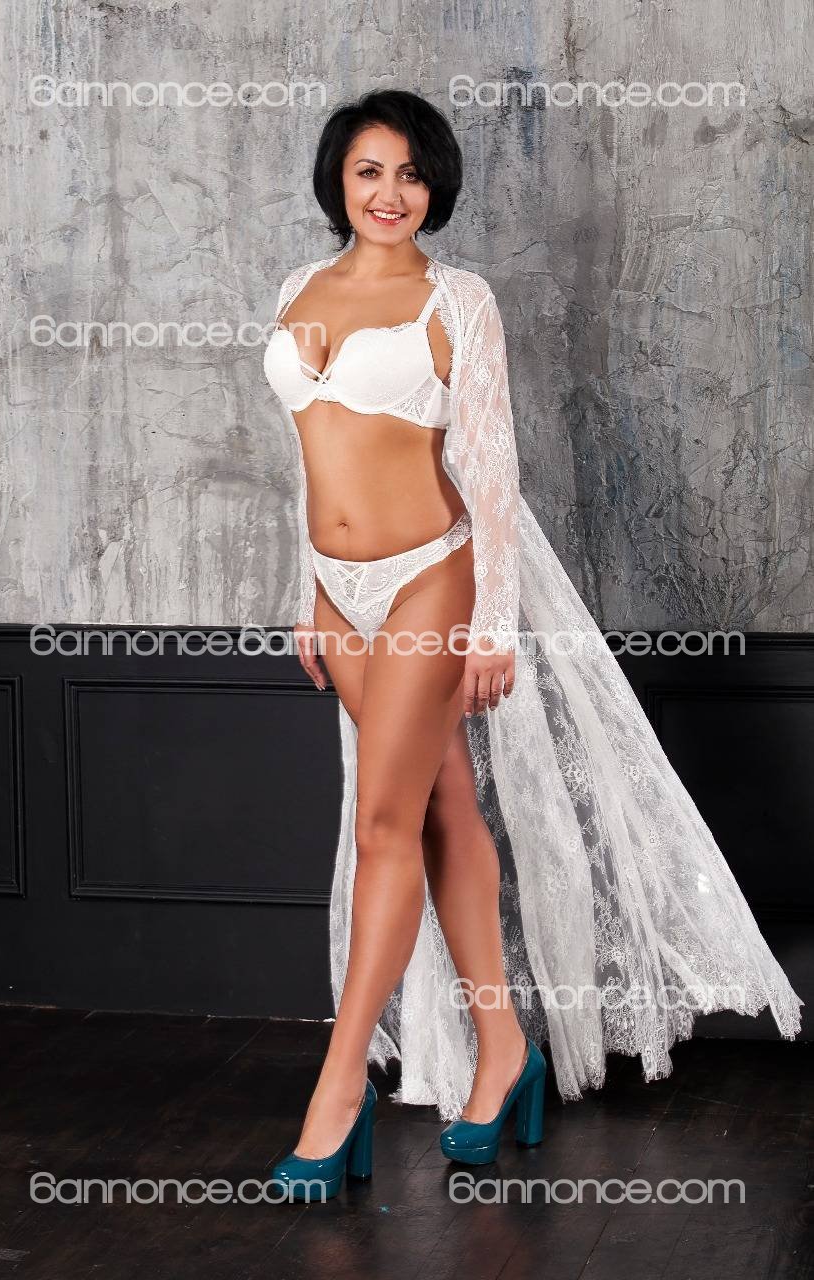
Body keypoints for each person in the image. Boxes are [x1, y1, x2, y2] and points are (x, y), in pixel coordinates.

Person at [262, 89, 802, 1201]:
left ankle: (337, 1090)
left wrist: (492, 625)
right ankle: (504, 1052)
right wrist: (308, 590)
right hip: (341, 590)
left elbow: (491, 466)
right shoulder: (296, 290)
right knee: (444, 808)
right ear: (338, 180)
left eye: (411, 174)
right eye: (369, 171)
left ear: (435, 187)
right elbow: (304, 455)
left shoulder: (456, 299)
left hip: (429, 577)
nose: (390, 193)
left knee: (382, 822)